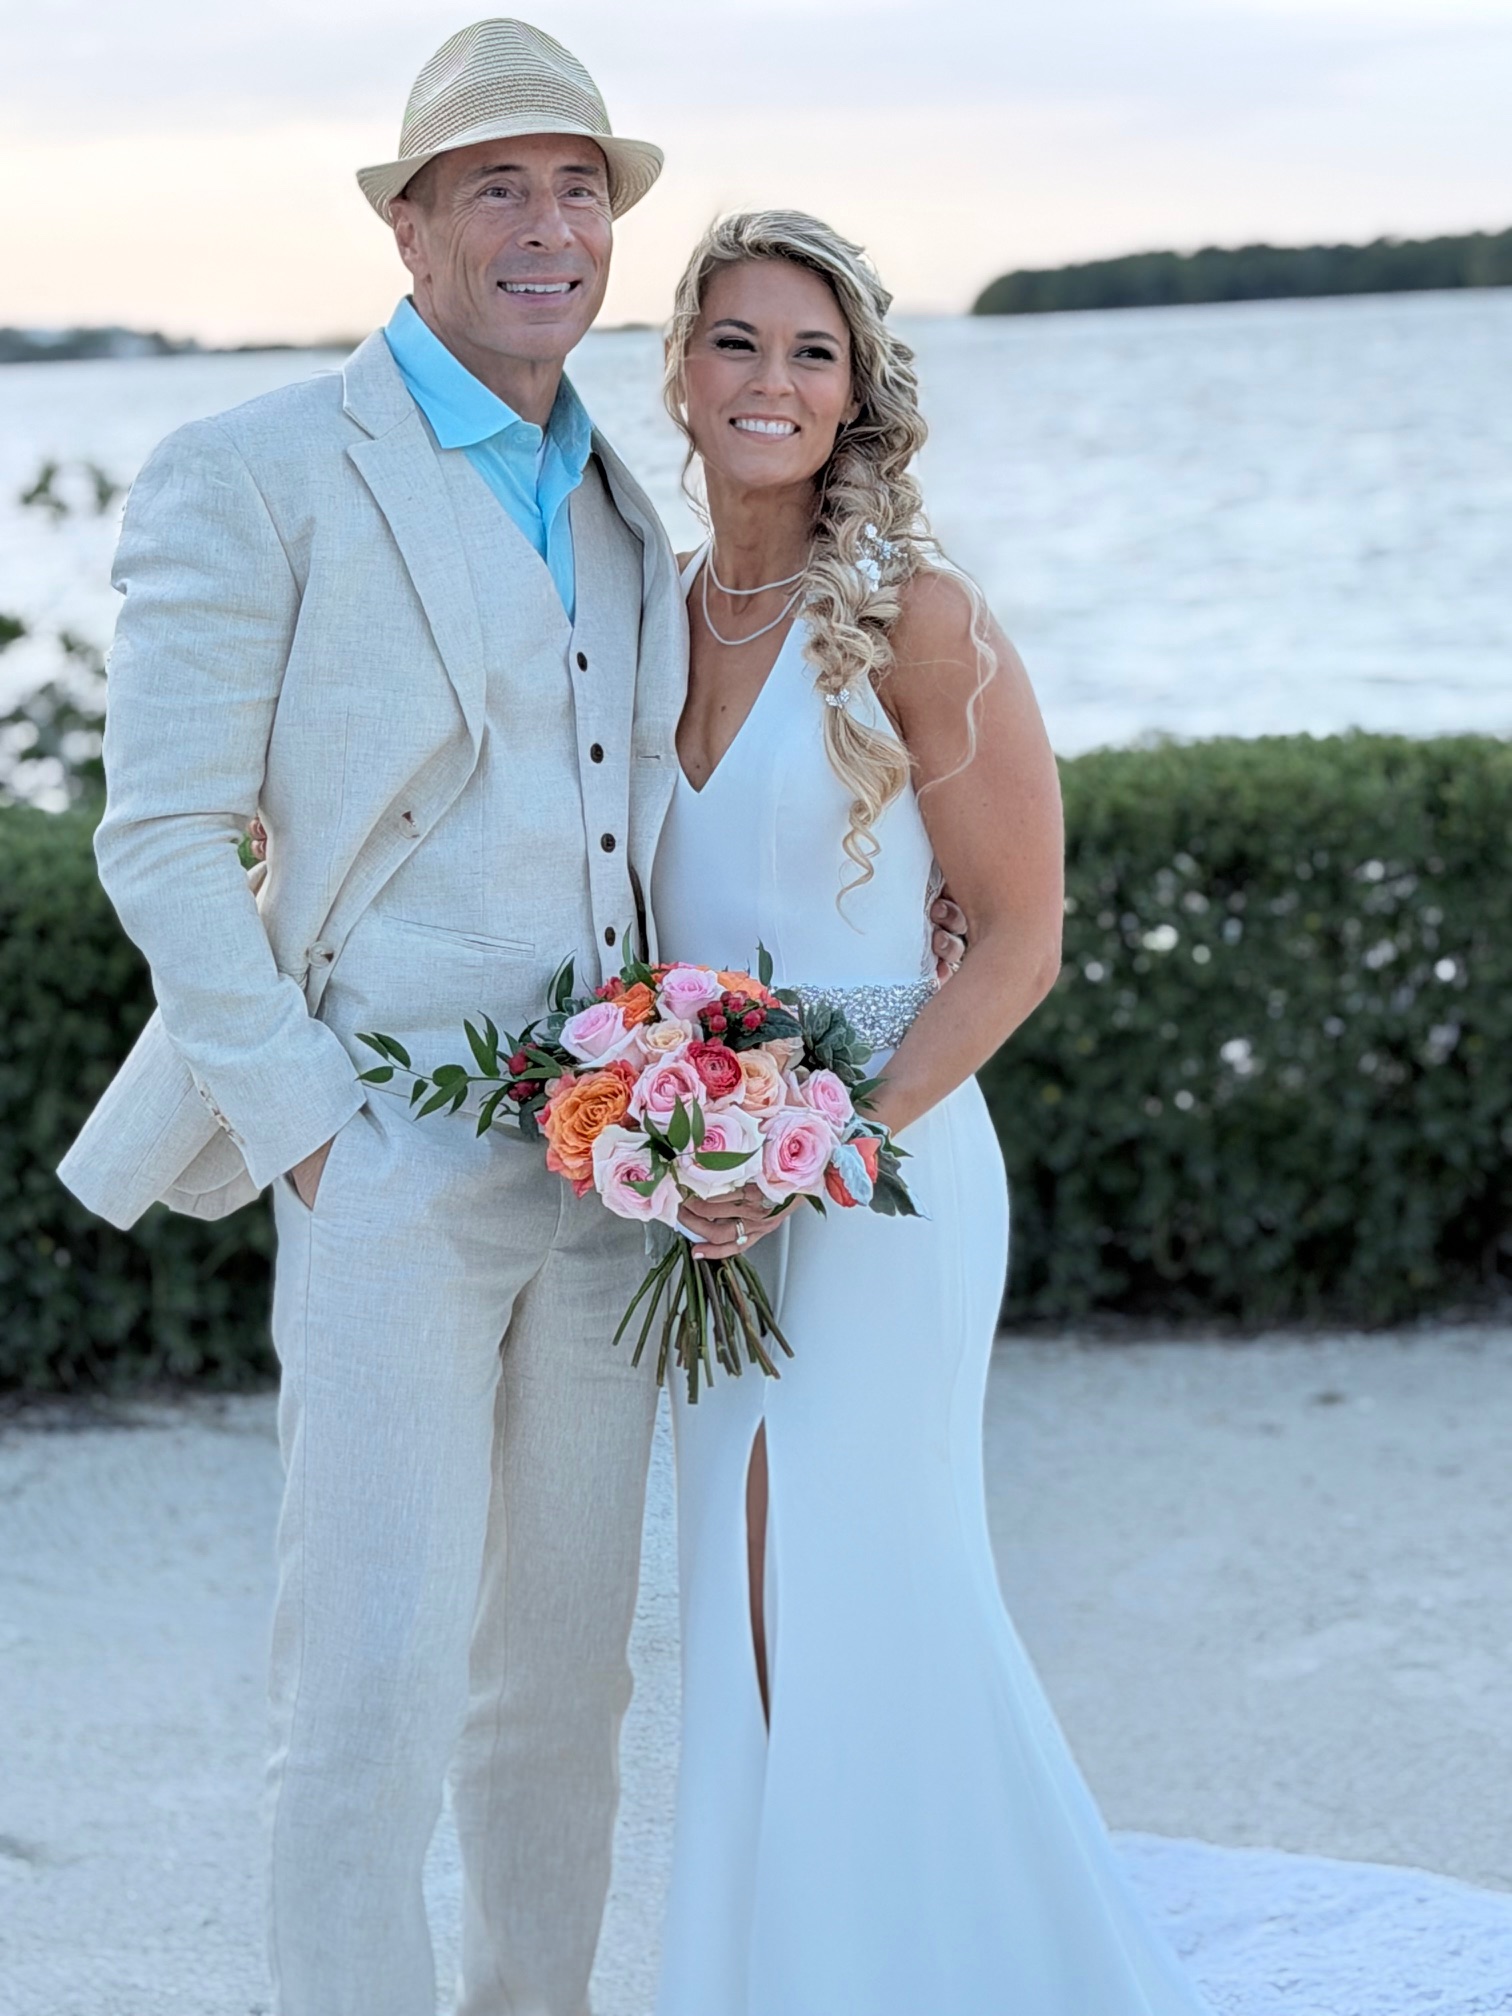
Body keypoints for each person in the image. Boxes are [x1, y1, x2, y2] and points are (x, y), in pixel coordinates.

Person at [56, 22, 964, 2016]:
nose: (549, 227)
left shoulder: (632, 502)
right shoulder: (254, 472)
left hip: (610, 1171)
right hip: (382, 1161)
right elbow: (162, 836)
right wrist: (311, 1130)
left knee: (565, 1682)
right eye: (497, 188)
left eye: (578, 190)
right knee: (365, 1688)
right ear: (409, 228)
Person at [650, 210, 1212, 2015]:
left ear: (856, 393)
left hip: (886, 1178)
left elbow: (1019, 942)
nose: (772, 381)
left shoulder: (919, 617)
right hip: (703, 1189)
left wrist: (821, 1143)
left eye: (811, 352)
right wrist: (658, 1126)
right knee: (742, 1612)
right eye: (738, 341)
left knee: (859, 1585)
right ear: (681, 370)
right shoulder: (643, 619)